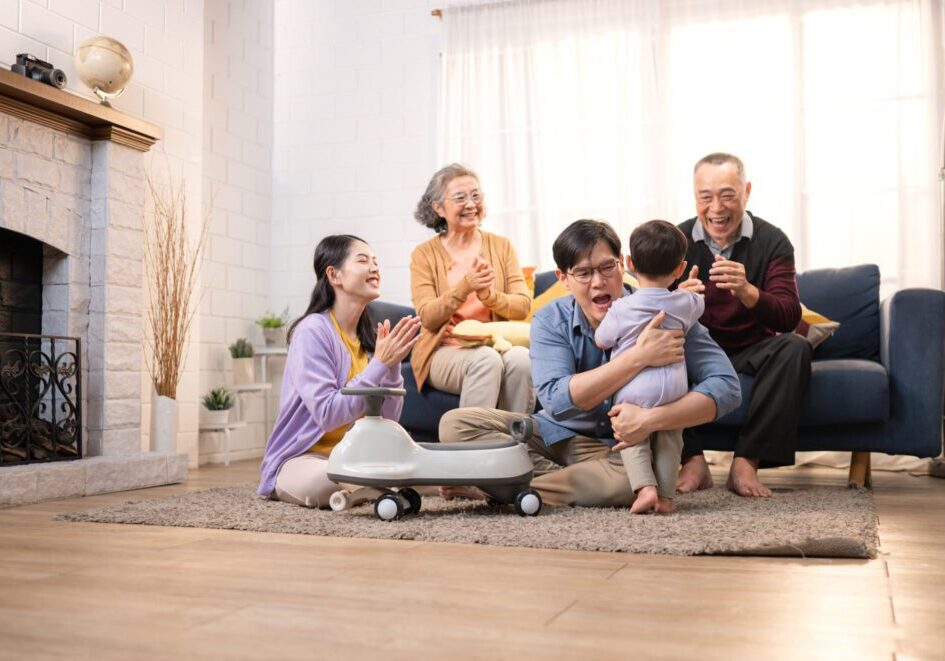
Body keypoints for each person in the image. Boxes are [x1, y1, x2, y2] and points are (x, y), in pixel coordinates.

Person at [438, 219, 740, 508]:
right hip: (555, 436)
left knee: (631, 482)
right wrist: (638, 358)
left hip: (621, 450)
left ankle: (501, 485)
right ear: (563, 279)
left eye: (607, 267)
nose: (598, 282)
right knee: (455, 424)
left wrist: (651, 420)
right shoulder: (550, 319)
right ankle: (529, 484)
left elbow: (726, 388)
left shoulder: (669, 313)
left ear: (623, 264)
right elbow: (557, 402)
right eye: (583, 273)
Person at [675, 152, 812, 498]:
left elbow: (788, 316)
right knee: (651, 352)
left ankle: (746, 461)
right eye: (705, 197)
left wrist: (748, 291)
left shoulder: (773, 240)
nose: (716, 208)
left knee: (795, 347)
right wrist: (678, 300)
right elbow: (646, 313)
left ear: (746, 191)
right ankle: (691, 459)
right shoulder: (676, 241)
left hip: (752, 350)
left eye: (727, 195)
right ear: (695, 197)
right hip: (698, 351)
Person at [257, 235, 421, 508]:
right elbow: (328, 414)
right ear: (334, 275)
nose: (374, 268)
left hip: (354, 456)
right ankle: (375, 488)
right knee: (323, 480)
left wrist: (391, 367)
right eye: (363, 260)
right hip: (305, 459)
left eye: (376, 261)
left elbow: (388, 421)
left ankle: (366, 490)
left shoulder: (371, 337)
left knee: (419, 464)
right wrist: (379, 364)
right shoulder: (312, 331)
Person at [594, 220, 704, 514]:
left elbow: (602, 340)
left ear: (628, 263)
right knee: (670, 439)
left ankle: (645, 489)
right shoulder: (685, 304)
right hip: (675, 390)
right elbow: (698, 304)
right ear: (679, 269)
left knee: (631, 436)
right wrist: (687, 293)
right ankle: (666, 497)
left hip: (636, 390)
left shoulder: (621, 308)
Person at [410, 163, 534, 414]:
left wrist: (490, 296)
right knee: (486, 361)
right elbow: (428, 317)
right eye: (460, 197)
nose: (471, 204)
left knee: (521, 359)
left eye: (476, 196)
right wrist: (465, 287)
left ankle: (517, 442)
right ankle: (473, 444)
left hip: (498, 343)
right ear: (438, 208)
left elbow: (522, 307)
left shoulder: (501, 246)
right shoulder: (424, 255)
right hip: (444, 350)